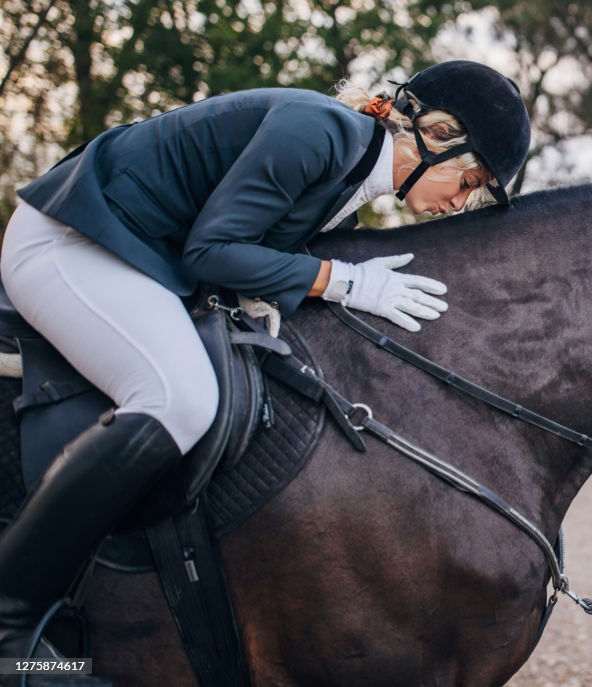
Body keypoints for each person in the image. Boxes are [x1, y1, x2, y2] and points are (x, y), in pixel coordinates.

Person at [0, 59, 530, 683]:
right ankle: (9, 620)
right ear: (438, 135)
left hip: (135, 253)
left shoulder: (348, 179)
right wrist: (343, 280)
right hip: (76, 239)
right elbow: (212, 251)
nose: (461, 202)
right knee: (179, 399)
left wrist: (333, 276)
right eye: (470, 181)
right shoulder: (321, 133)